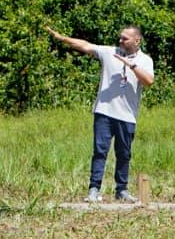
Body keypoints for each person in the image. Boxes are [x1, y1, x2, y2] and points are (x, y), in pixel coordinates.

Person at [46, 24, 154, 203]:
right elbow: (85, 45)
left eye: (125, 38)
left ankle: (121, 190)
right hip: (104, 111)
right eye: (120, 37)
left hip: (127, 115)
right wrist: (62, 38)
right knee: (100, 151)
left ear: (137, 40)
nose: (120, 40)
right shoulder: (109, 52)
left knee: (124, 154)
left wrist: (132, 65)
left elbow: (149, 81)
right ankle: (94, 189)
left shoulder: (145, 60)